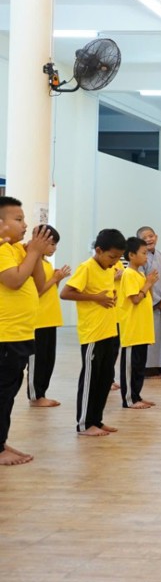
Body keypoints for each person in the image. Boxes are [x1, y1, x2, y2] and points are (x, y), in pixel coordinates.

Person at [61, 229, 127, 437]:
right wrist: (96, 298)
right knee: (90, 380)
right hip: (93, 334)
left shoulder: (108, 268)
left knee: (105, 379)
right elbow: (66, 293)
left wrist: (109, 295)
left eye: (119, 258)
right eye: (112, 257)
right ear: (98, 250)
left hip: (109, 331)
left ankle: (96, 420)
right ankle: (84, 424)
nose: (115, 262)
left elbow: (104, 291)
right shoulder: (87, 267)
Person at [0, 197, 51, 465]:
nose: (24, 225)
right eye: (18, 219)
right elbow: (15, 281)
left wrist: (35, 253)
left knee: (8, 392)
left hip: (20, 334)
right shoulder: (2, 250)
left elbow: (40, 285)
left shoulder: (18, 250)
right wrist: (33, 252)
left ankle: (1, 441)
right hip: (5, 335)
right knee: (2, 393)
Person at [27, 226, 71, 408]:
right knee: (37, 360)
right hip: (38, 320)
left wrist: (57, 279)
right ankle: (35, 396)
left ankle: (42, 393)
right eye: (51, 244)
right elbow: (36, 292)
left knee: (48, 360)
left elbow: (50, 290)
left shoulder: (46, 264)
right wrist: (54, 279)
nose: (54, 248)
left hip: (50, 318)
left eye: (55, 244)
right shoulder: (32, 262)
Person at [118, 237, 159, 409]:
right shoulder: (128, 274)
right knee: (131, 367)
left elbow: (147, 297)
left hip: (142, 330)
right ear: (131, 255)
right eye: (143, 253)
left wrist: (149, 282)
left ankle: (137, 396)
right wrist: (148, 283)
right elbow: (135, 299)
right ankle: (129, 399)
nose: (146, 257)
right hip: (132, 330)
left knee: (139, 367)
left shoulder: (140, 274)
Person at [137, 226, 161, 377]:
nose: (149, 239)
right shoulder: (141, 258)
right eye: (144, 238)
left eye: (151, 236)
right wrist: (157, 301)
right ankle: (150, 369)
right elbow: (141, 282)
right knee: (152, 337)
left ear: (156, 237)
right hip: (152, 305)